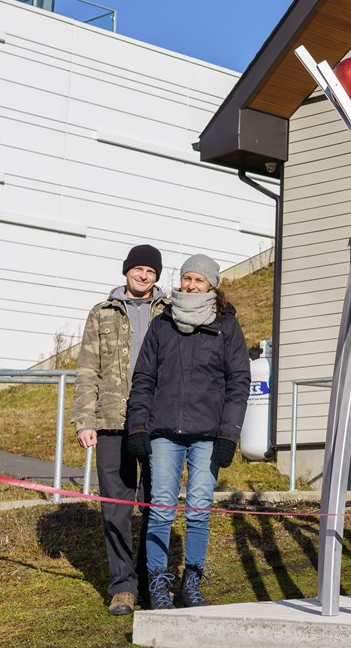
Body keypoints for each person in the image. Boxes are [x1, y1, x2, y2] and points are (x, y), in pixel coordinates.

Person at [126, 253, 250, 611]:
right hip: (164, 433)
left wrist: (229, 434)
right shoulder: (162, 324)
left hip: (208, 436)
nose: (191, 285)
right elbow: (144, 379)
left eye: (199, 280)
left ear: (212, 285)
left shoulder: (226, 325)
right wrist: (138, 426)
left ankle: (191, 581)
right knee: (161, 509)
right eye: (187, 278)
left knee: (198, 511)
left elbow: (239, 381)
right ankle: (158, 584)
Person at [70, 244, 168, 616]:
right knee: (116, 508)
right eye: (138, 269)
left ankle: (150, 579)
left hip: (157, 424)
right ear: (126, 270)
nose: (144, 276)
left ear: (157, 276)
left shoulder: (171, 312)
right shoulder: (102, 313)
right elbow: (86, 370)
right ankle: (123, 586)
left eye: (151, 271)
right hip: (111, 424)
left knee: (155, 504)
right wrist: (86, 421)